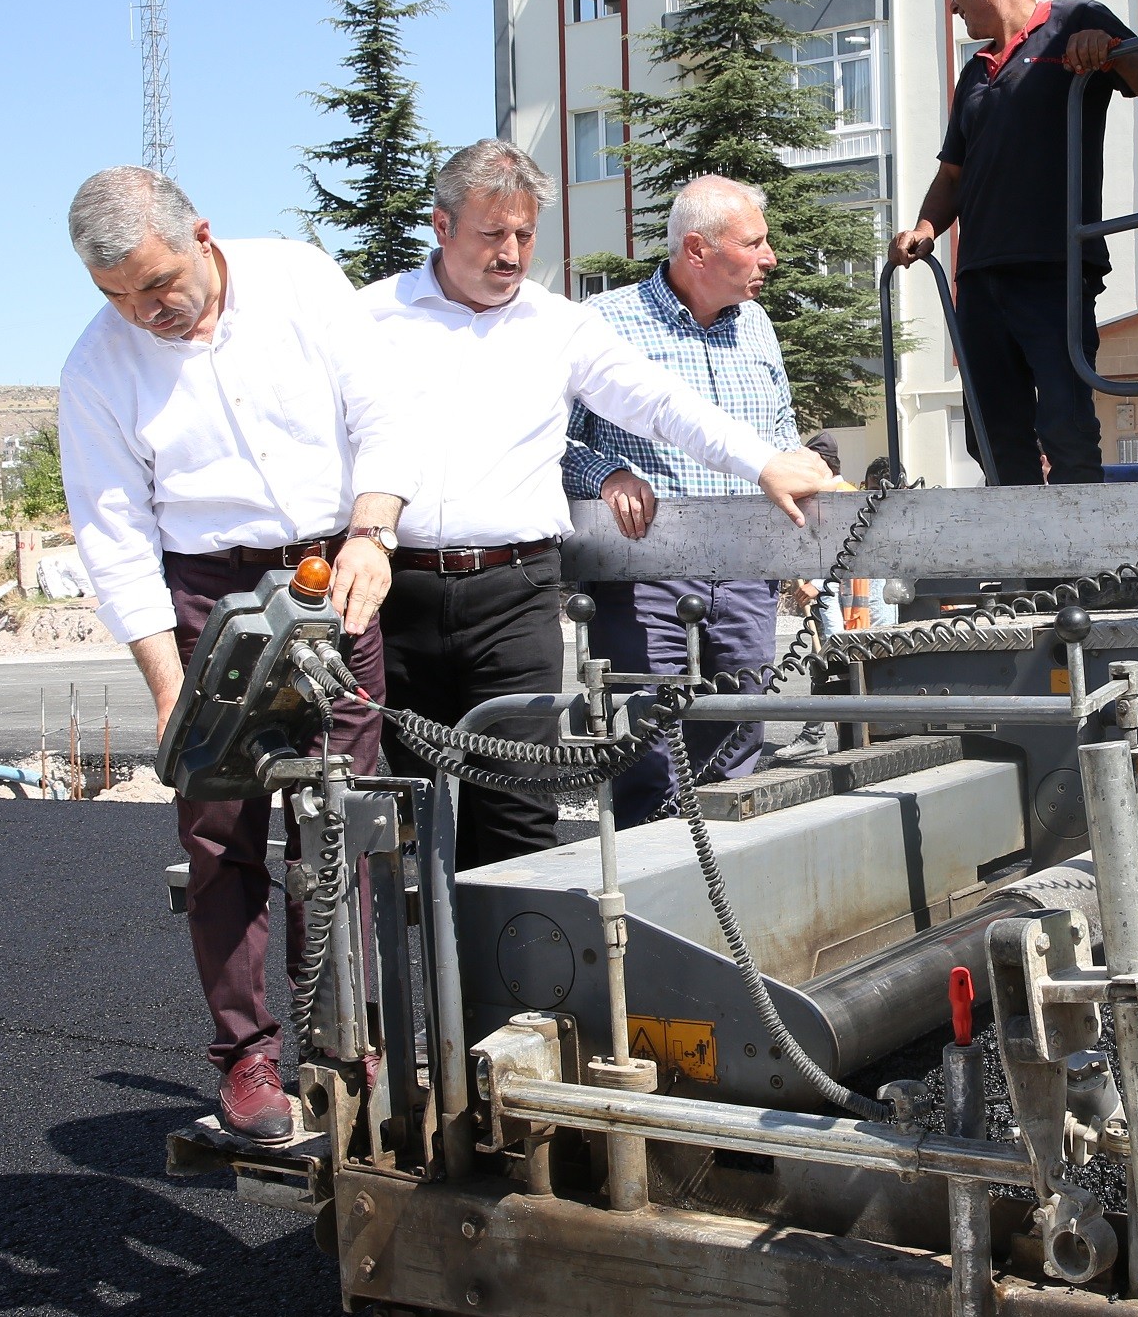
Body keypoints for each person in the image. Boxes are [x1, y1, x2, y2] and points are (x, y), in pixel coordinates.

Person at [357, 142, 840, 864]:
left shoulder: (561, 326)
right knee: (400, 816)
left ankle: (505, 978)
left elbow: (663, 405)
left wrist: (764, 461)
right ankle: (408, 979)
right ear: (442, 226)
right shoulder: (370, 318)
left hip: (514, 595)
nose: (512, 253)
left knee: (519, 816)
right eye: (493, 234)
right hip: (399, 594)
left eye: (525, 235)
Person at [56, 166, 414, 1142]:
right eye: (118, 297)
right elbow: (114, 534)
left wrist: (373, 531)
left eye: (158, 283)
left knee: (338, 820)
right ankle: (247, 1060)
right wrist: (171, 688)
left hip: (325, 577)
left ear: (201, 234)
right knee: (219, 837)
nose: (145, 311)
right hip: (204, 599)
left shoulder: (299, 280)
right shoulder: (98, 368)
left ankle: (351, 1043)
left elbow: (380, 408)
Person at [887, 0, 1138, 486]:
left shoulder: (1078, 20)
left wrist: (1113, 50)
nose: (953, 5)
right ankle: (1029, 568)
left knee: (1065, 425)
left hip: (1054, 268)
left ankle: (1083, 568)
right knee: (989, 433)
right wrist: (925, 227)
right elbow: (953, 174)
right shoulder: (973, 73)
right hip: (979, 279)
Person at [565, 176, 807, 823]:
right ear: (697, 250)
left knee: (737, 740)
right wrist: (606, 476)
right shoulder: (603, 324)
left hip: (749, 573)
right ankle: (649, 902)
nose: (770, 256)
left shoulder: (757, 326)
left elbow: (779, 437)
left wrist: (801, 549)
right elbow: (552, 443)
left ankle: (724, 899)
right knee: (649, 750)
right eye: (754, 242)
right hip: (646, 572)